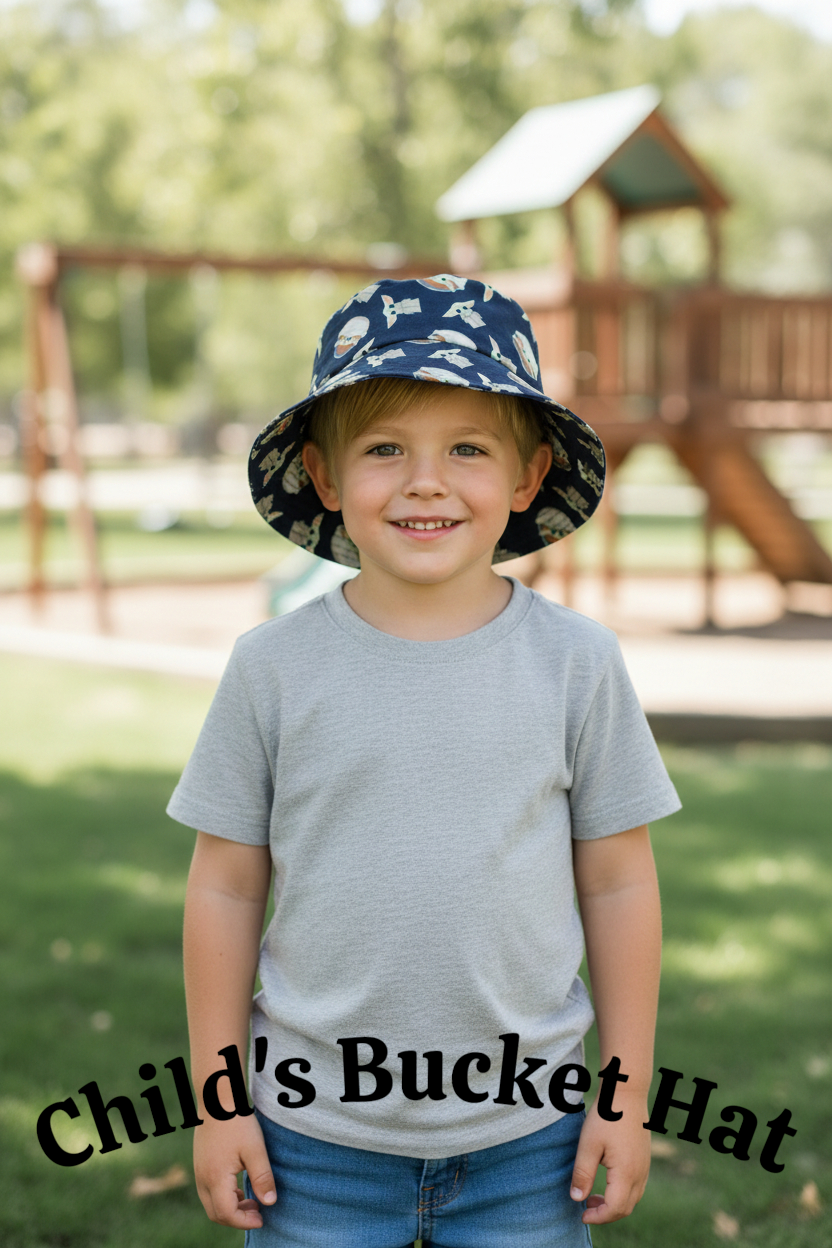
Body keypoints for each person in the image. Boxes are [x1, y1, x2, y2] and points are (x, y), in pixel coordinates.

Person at [168, 276, 681, 1248]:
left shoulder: (577, 665)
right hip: (309, 1138)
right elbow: (225, 888)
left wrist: (622, 1098)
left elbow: (619, 884)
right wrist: (219, 1103)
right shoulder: (271, 668)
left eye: (468, 449)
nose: (426, 481)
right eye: (384, 449)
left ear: (528, 477)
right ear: (324, 476)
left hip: (530, 1138)